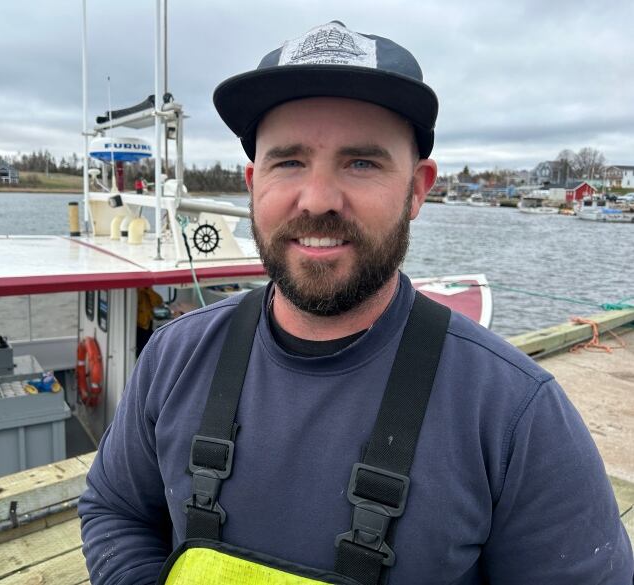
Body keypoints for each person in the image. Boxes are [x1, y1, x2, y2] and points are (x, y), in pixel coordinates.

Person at [79, 21, 633, 584]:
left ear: (417, 189)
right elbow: (115, 510)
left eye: (362, 162)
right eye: (288, 162)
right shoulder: (175, 358)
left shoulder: (517, 414)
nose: (317, 199)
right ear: (252, 181)